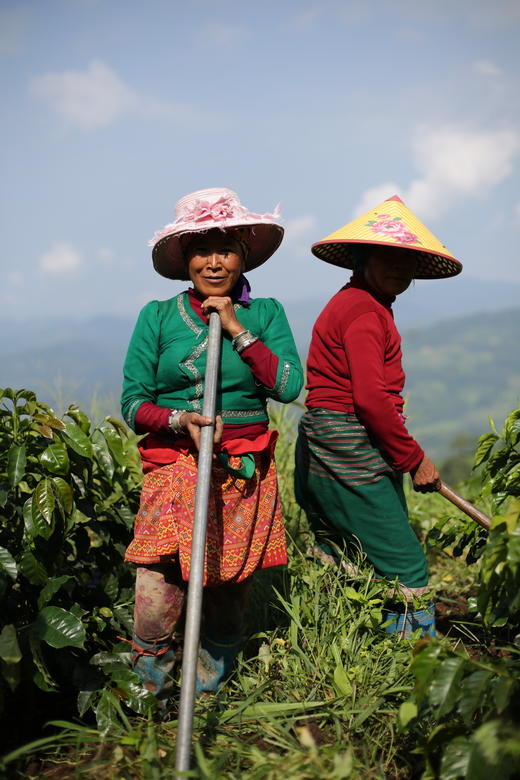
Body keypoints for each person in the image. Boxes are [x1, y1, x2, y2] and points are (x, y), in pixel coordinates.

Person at [121, 188, 303, 709]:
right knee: (157, 585)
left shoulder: (265, 313)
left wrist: (237, 329)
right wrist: (180, 420)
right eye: (201, 250)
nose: (214, 262)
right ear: (185, 260)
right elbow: (133, 403)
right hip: (172, 466)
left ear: (244, 255)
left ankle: (205, 692)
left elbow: (289, 385)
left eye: (225, 249)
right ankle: (147, 695)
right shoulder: (157, 317)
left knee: (227, 583)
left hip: (240, 470)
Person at [295, 195, 462, 638]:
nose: (398, 268)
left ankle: (350, 637)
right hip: (348, 440)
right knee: (404, 559)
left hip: (328, 438)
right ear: (362, 258)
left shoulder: (359, 303)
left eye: (407, 260)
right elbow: (371, 399)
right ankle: (411, 658)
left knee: (353, 547)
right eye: (387, 257)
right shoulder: (365, 312)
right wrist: (413, 459)